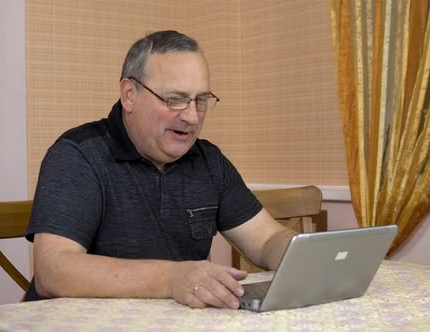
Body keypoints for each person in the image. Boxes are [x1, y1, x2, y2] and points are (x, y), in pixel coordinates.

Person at [25, 30, 297, 309]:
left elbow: (266, 240)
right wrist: (172, 278)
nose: (191, 117)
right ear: (129, 95)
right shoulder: (78, 154)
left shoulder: (209, 160)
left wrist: (305, 253)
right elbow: (53, 270)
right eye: (174, 99)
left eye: (201, 100)